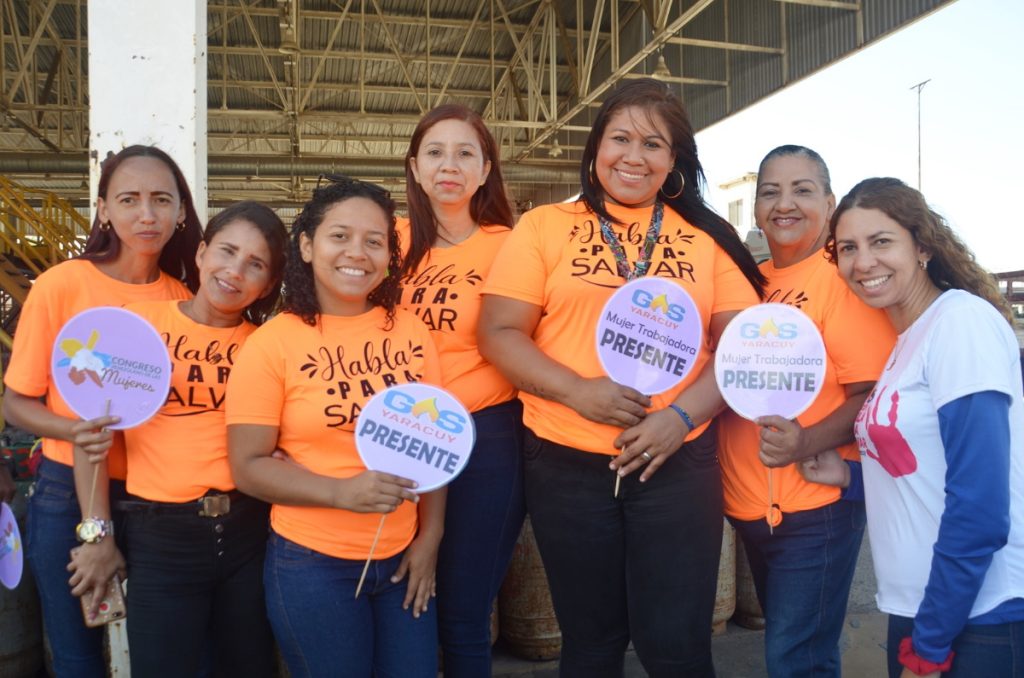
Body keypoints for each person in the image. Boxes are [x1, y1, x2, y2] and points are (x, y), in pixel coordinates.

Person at [478, 77, 764, 677]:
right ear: (595, 148)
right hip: (565, 463)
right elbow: (500, 333)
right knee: (590, 642)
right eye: (620, 139)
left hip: (677, 464)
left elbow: (738, 350)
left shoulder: (708, 240)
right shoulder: (544, 227)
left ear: (674, 162)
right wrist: (578, 391)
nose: (634, 156)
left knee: (678, 647)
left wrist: (678, 418)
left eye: (654, 144)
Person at [226, 178, 445, 678]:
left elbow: (436, 447)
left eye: (374, 241)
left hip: (402, 558)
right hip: (312, 565)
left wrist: (430, 538)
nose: (358, 253)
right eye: (339, 236)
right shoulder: (271, 344)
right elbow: (248, 466)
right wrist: (341, 492)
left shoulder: (411, 331)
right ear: (306, 245)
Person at [806, 177, 1024, 677]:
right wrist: (848, 479)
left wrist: (929, 646)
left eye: (881, 242)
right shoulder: (907, 339)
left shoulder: (960, 325)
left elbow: (983, 506)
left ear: (922, 245)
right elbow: (923, 469)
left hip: (979, 616)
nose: (863, 262)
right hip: (923, 608)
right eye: (848, 249)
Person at [1, 145, 201, 677]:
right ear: (103, 208)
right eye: (129, 199)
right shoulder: (61, 285)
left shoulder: (183, 298)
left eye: (162, 200)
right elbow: (17, 402)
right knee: (75, 654)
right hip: (70, 491)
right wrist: (74, 428)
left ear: (182, 211)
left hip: (151, 498)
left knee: (161, 646)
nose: (147, 215)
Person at [70, 201, 287, 676]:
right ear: (203, 253)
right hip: (160, 535)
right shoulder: (137, 325)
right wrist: (97, 536)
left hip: (250, 531)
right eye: (227, 252)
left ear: (269, 284)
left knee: (250, 667)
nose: (235, 271)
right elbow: (91, 439)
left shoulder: (268, 345)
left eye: (256, 264)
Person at [716, 146, 896, 676]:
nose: (784, 204)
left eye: (802, 190)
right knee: (795, 649)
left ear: (830, 202)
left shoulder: (839, 279)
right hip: (753, 509)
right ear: (755, 209)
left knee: (797, 660)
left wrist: (807, 442)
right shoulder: (749, 280)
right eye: (769, 191)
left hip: (814, 508)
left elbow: (871, 391)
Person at [400, 103, 525, 676]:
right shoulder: (386, 243)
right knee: (406, 602)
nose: (449, 165)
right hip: (397, 435)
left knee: (464, 610)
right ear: (415, 168)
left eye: (465, 153)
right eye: (435, 152)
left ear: (485, 170)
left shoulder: (512, 246)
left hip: (486, 438)